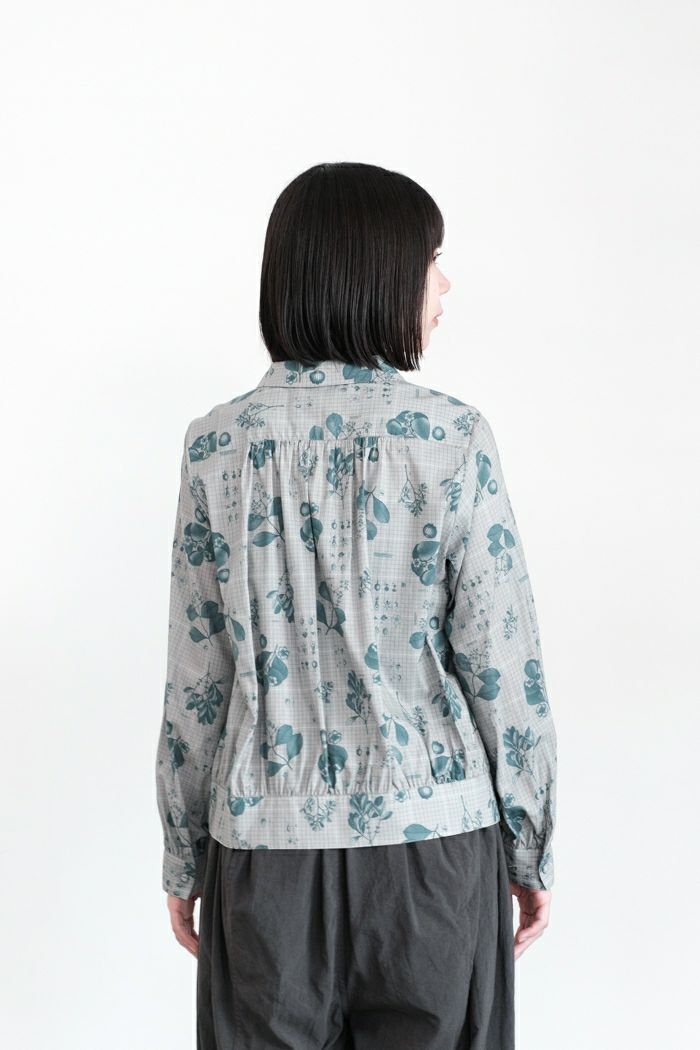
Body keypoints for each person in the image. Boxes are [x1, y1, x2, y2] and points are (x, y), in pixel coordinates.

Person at [155, 161, 557, 1049]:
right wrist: (530, 844)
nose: (444, 286)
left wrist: (184, 855)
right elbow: (503, 664)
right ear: (375, 272)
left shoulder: (218, 446)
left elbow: (197, 677)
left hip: (264, 860)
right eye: (431, 261)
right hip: (433, 861)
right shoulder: (452, 439)